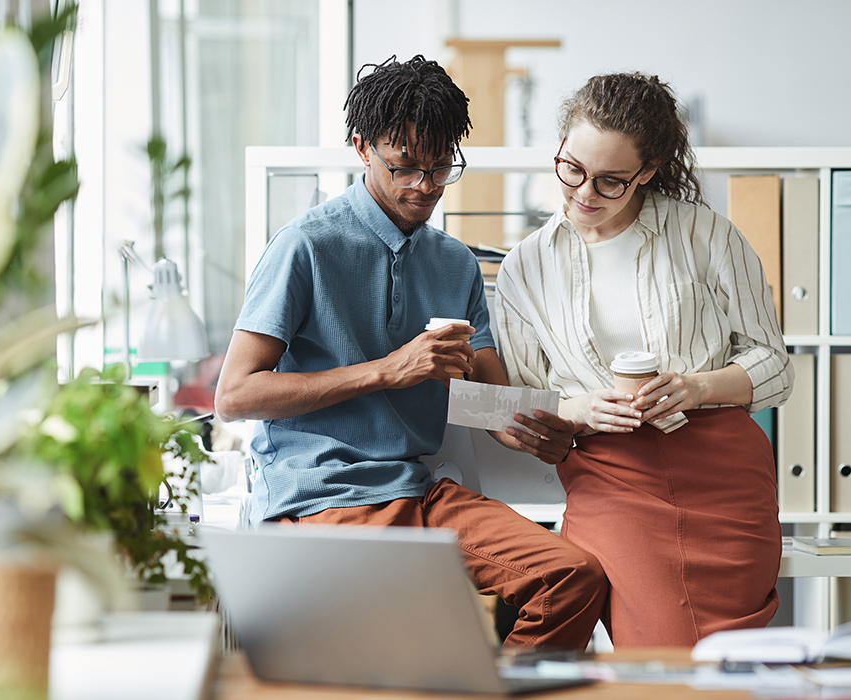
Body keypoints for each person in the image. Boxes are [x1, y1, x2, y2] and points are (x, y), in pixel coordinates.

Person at [215, 55, 607, 650]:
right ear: (361, 147)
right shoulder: (306, 246)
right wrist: (387, 371)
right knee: (409, 638)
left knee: (572, 579)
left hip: (418, 492)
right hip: (323, 495)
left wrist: (535, 430)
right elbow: (235, 396)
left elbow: (490, 401)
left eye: (439, 166)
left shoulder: (453, 263)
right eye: (403, 168)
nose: (424, 186)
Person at [495, 72, 794, 648]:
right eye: (572, 169)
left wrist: (700, 387)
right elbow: (527, 407)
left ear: (648, 172)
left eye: (611, 181)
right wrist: (578, 406)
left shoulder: (706, 235)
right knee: (660, 651)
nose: (584, 193)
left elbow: (775, 366)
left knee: (729, 660)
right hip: (610, 475)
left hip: (723, 474)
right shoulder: (525, 268)